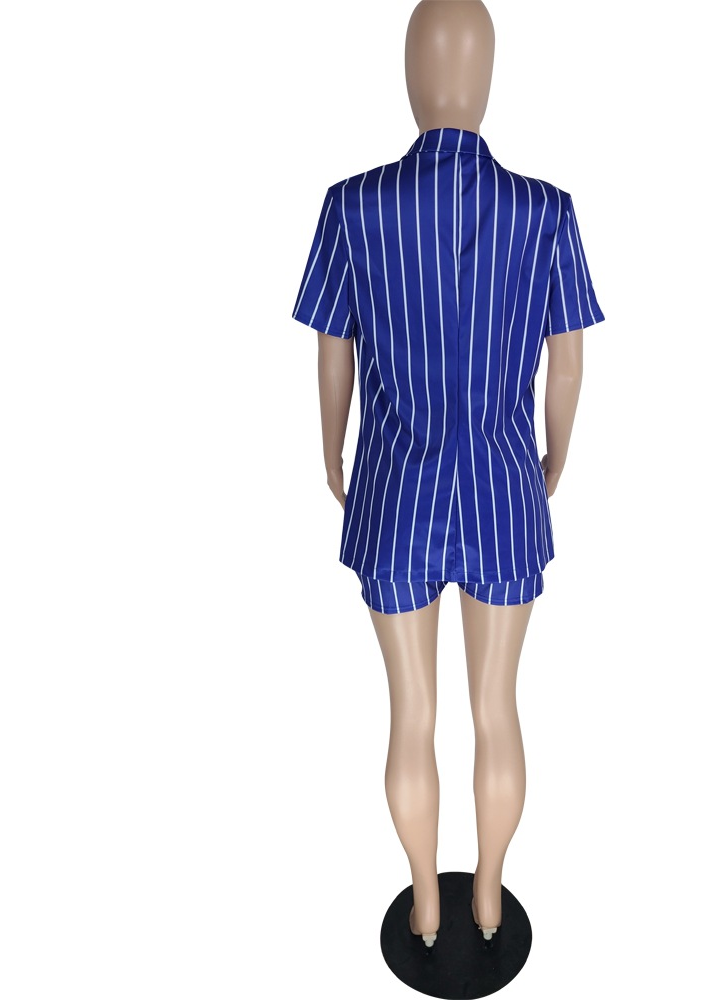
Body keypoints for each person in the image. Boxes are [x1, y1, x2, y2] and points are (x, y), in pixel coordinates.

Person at [292, 0, 604, 948]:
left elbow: (333, 354)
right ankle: (489, 897)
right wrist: (556, 456)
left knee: (411, 714)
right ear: (486, 78)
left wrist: (330, 451)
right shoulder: (545, 212)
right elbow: (568, 362)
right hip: (507, 494)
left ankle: (426, 902)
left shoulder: (353, 207)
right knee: (497, 710)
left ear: (412, 76)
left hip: (393, 496)